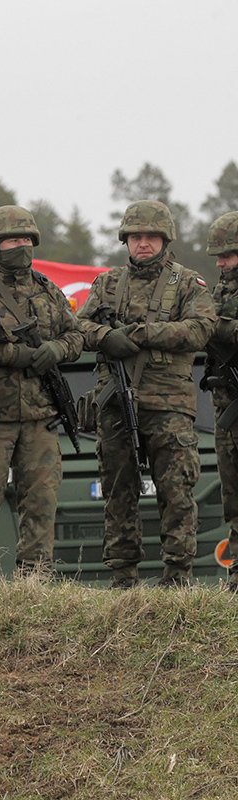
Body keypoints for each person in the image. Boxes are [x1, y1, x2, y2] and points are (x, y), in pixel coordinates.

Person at [77, 200, 216, 588]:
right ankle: (123, 576)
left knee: (176, 490)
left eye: (150, 237)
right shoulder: (106, 284)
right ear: (126, 240)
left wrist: (141, 335)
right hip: (116, 402)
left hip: (169, 405)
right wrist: (107, 337)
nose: (142, 244)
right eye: (136, 237)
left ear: (164, 240)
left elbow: (201, 328)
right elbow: (79, 326)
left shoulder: (186, 283)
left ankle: (177, 575)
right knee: (118, 489)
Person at [0, 205, 84, 586]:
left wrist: (56, 351)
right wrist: (14, 355)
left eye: (25, 240)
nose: (19, 247)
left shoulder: (47, 291)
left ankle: (33, 582)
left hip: (39, 418)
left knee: (40, 503)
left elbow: (75, 336)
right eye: (11, 241)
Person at [202, 211, 238, 591]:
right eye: (217, 257)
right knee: (232, 492)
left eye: (227, 255)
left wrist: (217, 324)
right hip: (227, 408)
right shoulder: (216, 294)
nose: (221, 263)